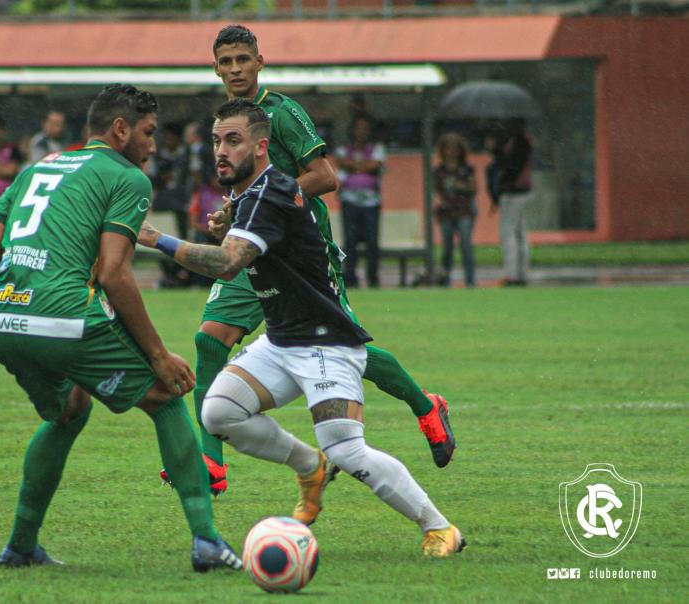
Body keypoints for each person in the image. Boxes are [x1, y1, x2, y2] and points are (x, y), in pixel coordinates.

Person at [140, 99, 465, 558]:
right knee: (218, 413)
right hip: (281, 341)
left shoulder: (270, 191)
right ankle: (310, 466)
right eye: (216, 141)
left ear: (261, 146)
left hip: (326, 344)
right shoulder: (252, 195)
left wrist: (156, 239)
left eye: (233, 141)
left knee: (350, 452)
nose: (221, 151)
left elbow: (228, 264)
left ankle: (440, 528)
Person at [0, 84, 241, 571]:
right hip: (61, 312)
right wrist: (158, 355)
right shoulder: (126, 177)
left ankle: (21, 546)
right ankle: (208, 543)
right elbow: (114, 273)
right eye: (149, 133)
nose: (153, 146)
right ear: (120, 129)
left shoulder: (34, 170)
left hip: (4, 316)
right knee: (165, 394)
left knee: (68, 410)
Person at [181, 25, 455, 498]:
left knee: (344, 345)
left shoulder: (283, 113)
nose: (234, 70)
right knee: (209, 342)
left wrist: (265, 199)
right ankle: (210, 463)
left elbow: (325, 176)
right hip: (251, 247)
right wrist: (232, 213)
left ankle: (425, 404)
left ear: (260, 62)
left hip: (303, 252)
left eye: (242, 60)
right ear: (215, 68)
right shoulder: (230, 120)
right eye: (225, 62)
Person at [334, 115, 387, 288]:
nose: (361, 132)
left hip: (371, 202)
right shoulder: (344, 149)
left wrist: (354, 166)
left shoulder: (377, 148)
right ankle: (350, 278)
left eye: (365, 128)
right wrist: (363, 165)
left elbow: (375, 165)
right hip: (349, 201)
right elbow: (341, 162)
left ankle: (373, 278)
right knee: (350, 241)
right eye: (358, 128)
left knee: (372, 242)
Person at [492, 118, 534, 286]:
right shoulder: (524, 141)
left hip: (514, 192)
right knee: (520, 233)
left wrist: (497, 152)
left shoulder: (520, 142)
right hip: (522, 190)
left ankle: (512, 275)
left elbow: (511, 167)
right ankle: (521, 273)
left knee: (508, 233)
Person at [433, 132, 477, 287]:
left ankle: (470, 281)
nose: (451, 152)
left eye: (454, 148)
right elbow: (435, 191)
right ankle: (445, 281)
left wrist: (460, 186)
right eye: (448, 148)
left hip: (463, 211)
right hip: (446, 213)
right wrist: (438, 203)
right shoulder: (439, 171)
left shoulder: (466, 169)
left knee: (466, 246)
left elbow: (473, 188)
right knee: (447, 249)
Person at [153, 122, 190, 239]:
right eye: (167, 137)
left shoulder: (186, 155)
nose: (169, 140)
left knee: (180, 234)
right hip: (163, 201)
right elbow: (153, 178)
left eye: (171, 137)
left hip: (181, 200)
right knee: (162, 233)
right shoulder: (158, 155)